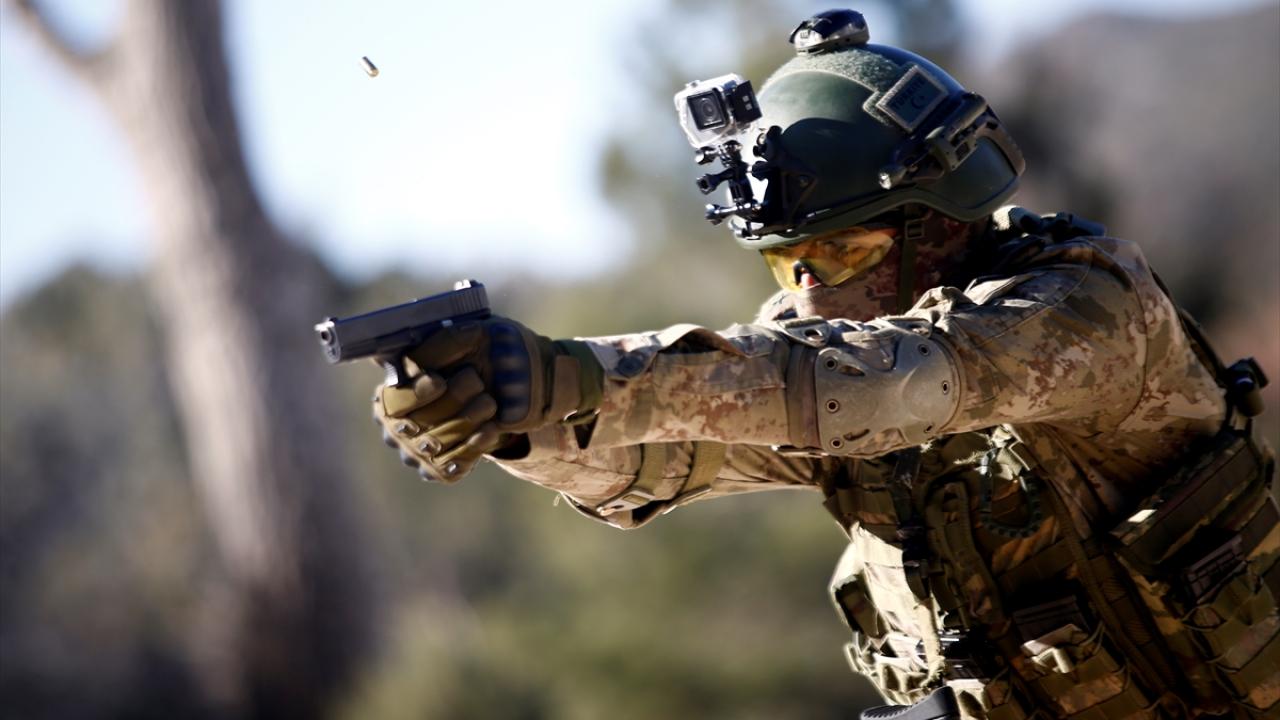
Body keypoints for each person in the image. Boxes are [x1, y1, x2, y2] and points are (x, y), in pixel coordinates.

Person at [370, 9, 1277, 718]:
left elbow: (889, 381)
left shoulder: (1086, 306)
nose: (806, 296)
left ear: (939, 223)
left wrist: (585, 373)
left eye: (841, 254)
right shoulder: (820, 352)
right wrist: (518, 419)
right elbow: (661, 457)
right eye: (785, 264)